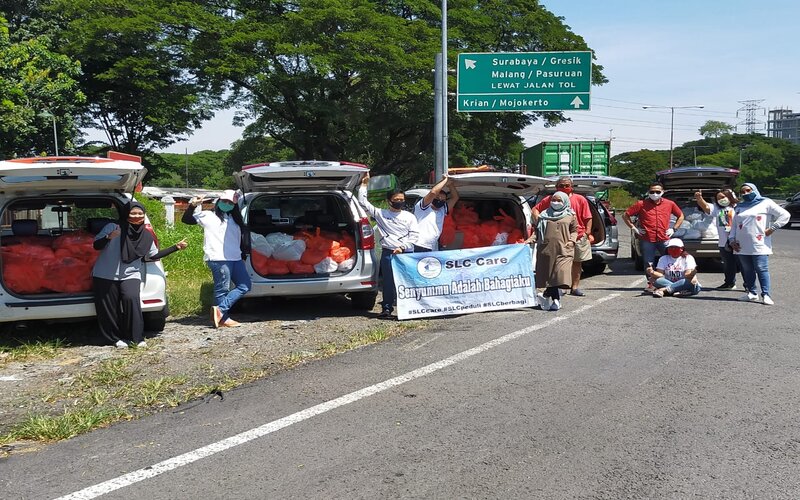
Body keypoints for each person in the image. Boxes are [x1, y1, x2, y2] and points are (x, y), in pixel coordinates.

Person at [93, 201, 188, 348]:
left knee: (132, 301)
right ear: (126, 214)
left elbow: (153, 255)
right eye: (133, 213)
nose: (137, 216)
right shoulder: (113, 227)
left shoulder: (146, 235)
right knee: (109, 309)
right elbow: (96, 245)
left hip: (131, 274)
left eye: (140, 214)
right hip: (105, 274)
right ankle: (114, 339)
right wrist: (108, 237)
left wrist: (175, 247)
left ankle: (136, 338)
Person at [183, 190, 251, 328]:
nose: (227, 204)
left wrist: (243, 254)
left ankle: (219, 310)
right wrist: (192, 206)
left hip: (235, 258)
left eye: (230, 203)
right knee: (222, 289)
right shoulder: (208, 215)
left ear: (234, 205)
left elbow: (239, 239)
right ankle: (223, 318)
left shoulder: (235, 219)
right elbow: (186, 220)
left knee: (245, 285)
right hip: (218, 258)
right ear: (218, 201)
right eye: (224, 201)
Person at [357, 172, 419, 319]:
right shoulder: (380, 214)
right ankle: (386, 308)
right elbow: (363, 202)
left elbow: (415, 236)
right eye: (396, 199)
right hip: (388, 253)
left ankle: (411, 308)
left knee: (408, 281)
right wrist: (364, 185)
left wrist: (403, 247)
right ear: (389, 201)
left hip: (406, 254)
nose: (399, 202)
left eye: (402, 200)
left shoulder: (409, 216)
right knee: (388, 283)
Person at [728, 183, 790, 305]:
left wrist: (772, 228)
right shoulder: (739, 207)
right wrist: (731, 241)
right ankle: (752, 293)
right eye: (743, 192)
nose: (746, 193)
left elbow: (785, 215)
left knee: (762, 269)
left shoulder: (766, 203)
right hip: (741, 245)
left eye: (748, 190)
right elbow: (734, 226)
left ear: (754, 190)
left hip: (759, 244)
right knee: (747, 270)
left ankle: (766, 294)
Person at [532, 176, 593, 296]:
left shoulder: (580, 199)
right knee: (557, 263)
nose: (564, 188)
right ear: (556, 187)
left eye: (567, 186)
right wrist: (539, 222)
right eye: (561, 186)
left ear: (571, 187)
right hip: (558, 238)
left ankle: (574, 287)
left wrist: (587, 233)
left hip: (578, 236)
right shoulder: (551, 199)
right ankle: (560, 287)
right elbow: (535, 210)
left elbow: (588, 217)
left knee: (576, 262)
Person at [622, 182, 685, 292]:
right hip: (647, 238)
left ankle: (673, 282)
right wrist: (633, 228)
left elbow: (680, 216)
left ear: (662, 192)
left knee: (671, 260)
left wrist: (674, 229)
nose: (654, 194)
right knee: (648, 262)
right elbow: (625, 215)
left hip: (664, 237)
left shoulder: (669, 204)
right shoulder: (641, 204)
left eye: (657, 192)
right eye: (652, 192)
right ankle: (651, 283)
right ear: (648, 192)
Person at [527, 191, 577, 311]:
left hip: (564, 250)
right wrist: (530, 239)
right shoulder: (544, 215)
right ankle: (555, 300)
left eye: (559, 200)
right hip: (546, 250)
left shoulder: (570, 215)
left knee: (559, 275)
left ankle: (547, 295)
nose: (556, 202)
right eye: (554, 200)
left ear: (565, 201)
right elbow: (537, 232)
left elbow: (574, 230)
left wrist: (572, 241)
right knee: (549, 277)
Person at [694, 188, 739, 289]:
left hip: (738, 242)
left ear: (729, 196)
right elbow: (706, 207)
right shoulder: (718, 209)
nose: (721, 200)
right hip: (724, 242)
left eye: (723, 197)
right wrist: (699, 198)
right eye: (718, 199)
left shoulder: (738, 208)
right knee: (728, 264)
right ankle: (729, 283)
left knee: (743, 264)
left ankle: (749, 286)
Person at [412, 175, 459, 252]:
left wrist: (450, 185)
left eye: (443, 200)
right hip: (418, 244)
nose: (440, 200)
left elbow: (455, 198)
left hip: (432, 246)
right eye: (437, 198)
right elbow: (433, 192)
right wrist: (445, 181)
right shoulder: (423, 206)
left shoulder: (442, 210)